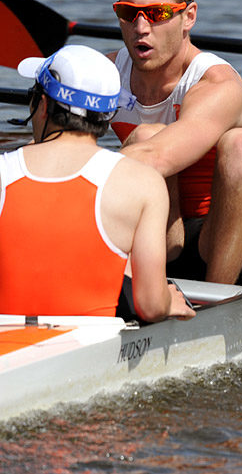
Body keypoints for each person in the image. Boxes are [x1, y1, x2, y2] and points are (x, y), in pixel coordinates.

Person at [110, 0, 242, 286]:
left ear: (188, 17)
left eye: (157, 14)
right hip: (167, 236)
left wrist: (69, 180)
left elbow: (157, 157)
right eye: (129, 14)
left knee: (241, 146)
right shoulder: (105, 73)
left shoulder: (216, 85)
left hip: (234, 238)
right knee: (144, 135)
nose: (141, 28)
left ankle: (219, 297)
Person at [0, 45, 194, 322]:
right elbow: (151, 306)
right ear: (108, 115)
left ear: (42, 106)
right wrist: (168, 301)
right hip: (93, 343)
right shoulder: (142, 183)